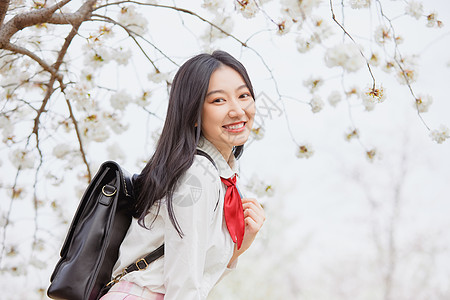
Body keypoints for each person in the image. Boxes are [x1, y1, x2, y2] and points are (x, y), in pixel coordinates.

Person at [100, 50, 265, 300]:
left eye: (243, 96)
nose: (238, 110)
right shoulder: (196, 174)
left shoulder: (211, 175)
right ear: (194, 113)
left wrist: (240, 246)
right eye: (218, 100)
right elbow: (183, 285)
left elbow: (195, 278)